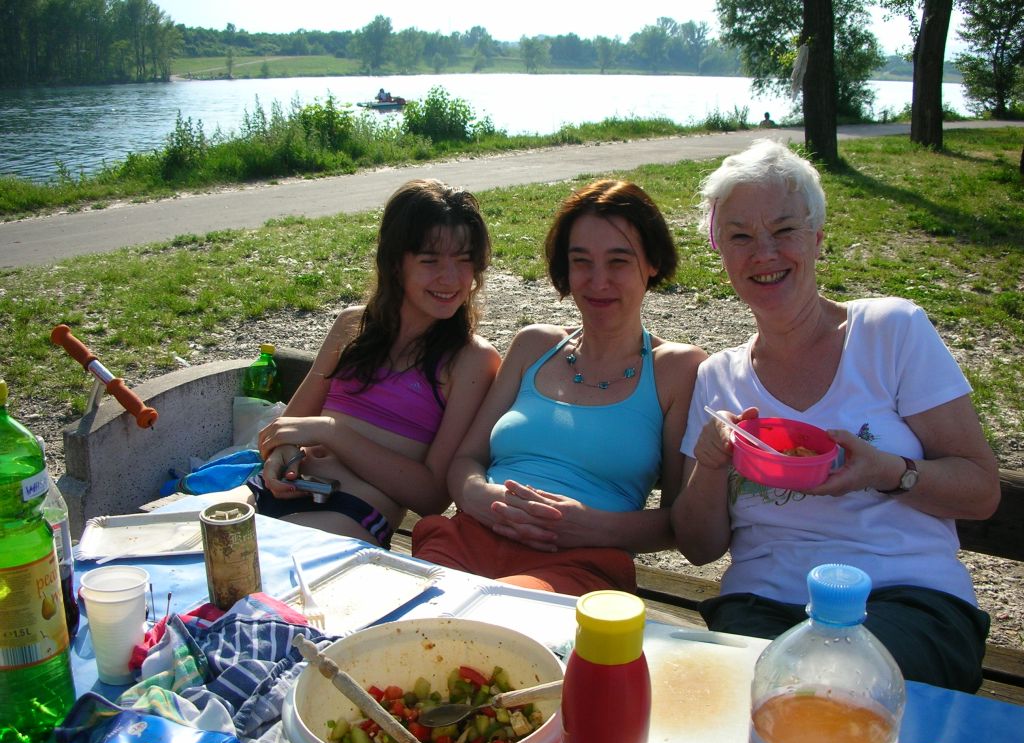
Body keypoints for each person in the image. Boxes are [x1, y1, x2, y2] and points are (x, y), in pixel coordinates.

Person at [671, 139, 1001, 692]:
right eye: (740, 236)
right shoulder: (718, 378)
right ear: (719, 251)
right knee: (731, 699)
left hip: (906, 599)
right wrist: (709, 464)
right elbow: (699, 548)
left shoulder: (891, 332)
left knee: (831, 689)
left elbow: (981, 491)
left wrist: (887, 471)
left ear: (818, 238)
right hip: (764, 603)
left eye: (784, 230)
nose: (764, 253)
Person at [413, 179, 707, 595]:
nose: (598, 281)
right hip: (471, 536)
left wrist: (590, 525)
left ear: (652, 262)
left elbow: (678, 522)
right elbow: (467, 458)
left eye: (618, 261)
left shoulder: (678, 369)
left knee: (501, 616)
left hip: (579, 561)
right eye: (581, 261)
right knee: (409, 615)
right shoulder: (534, 345)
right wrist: (478, 496)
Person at [248, 179, 500, 548]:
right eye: (430, 260)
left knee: (266, 562)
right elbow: (284, 429)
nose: (451, 278)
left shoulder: (471, 361)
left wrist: (331, 432)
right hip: (274, 488)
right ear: (395, 263)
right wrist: (280, 457)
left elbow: (431, 496)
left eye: (464, 260)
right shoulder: (352, 326)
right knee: (181, 545)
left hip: (351, 510)